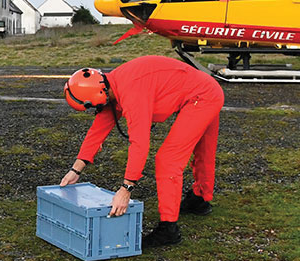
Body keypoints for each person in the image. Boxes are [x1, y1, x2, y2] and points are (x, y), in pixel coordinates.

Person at [59, 55, 224, 247]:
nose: (96, 110)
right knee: (203, 150)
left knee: (168, 159)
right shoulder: (110, 85)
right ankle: (200, 200)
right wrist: (75, 170)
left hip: (203, 96)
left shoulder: (131, 93)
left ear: (97, 97)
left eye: (94, 107)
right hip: (205, 89)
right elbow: (97, 130)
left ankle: (168, 229)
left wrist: (126, 189)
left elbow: (139, 143)